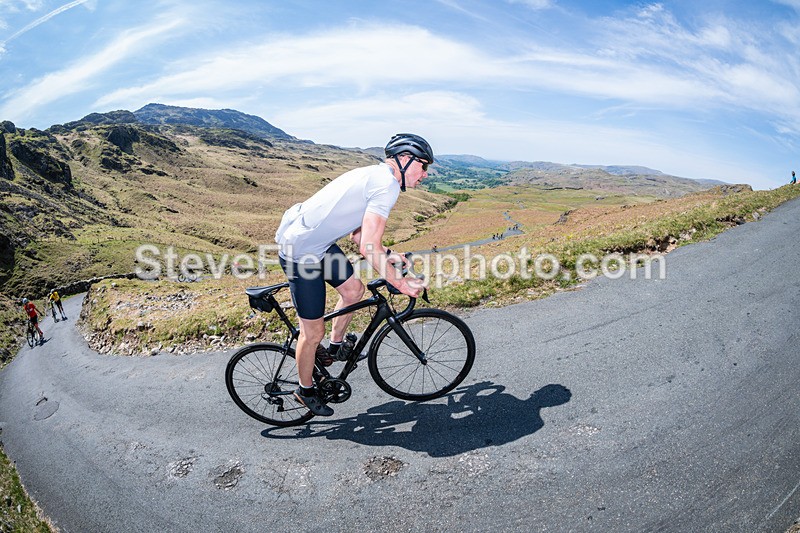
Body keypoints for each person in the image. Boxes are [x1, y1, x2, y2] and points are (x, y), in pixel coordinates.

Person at [275, 133, 432, 416]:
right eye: (424, 166)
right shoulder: (386, 186)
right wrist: (400, 283)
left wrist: (388, 256)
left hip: (316, 244)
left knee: (353, 291)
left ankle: (336, 348)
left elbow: (361, 239)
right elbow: (368, 245)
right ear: (405, 160)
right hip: (300, 252)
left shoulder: (379, 178)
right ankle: (304, 389)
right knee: (312, 333)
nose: (425, 174)